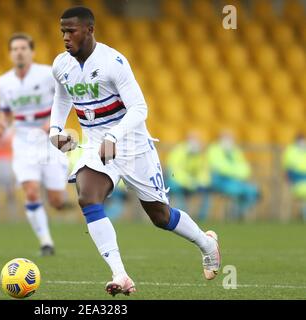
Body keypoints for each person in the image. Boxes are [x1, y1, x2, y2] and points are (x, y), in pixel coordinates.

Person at [49, 7, 221, 296]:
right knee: (87, 196)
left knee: (160, 216)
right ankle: (120, 274)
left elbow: (140, 108)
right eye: (62, 31)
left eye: (71, 31)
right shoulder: (61, 65)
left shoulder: (113, 62)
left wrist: (115, 135)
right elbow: (61, 97)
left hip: (133, 145)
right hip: (96, 145)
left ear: (90, 30)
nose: (65, 37)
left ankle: (207, 244)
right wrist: (55, 131)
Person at [0, 33, 70, 256]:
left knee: (56, 200)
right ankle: (46, 243)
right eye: (15, 49)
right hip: (24, 141)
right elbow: (6, 113)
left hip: (49, 141)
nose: (19, 52)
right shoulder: (3, 82)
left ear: (32, 52)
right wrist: (1, 124)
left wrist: (53, 123)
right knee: (31, 191)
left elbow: (67, 99)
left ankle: (58, 202)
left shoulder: (48, 74)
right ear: (10, 54)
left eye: (23, 48)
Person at [207, 131, 260, 219]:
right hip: (221, 182)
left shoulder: (235, 151)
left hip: (237, 181)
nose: (229, 141)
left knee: (253, 191)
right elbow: (220, 168)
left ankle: (239, 212)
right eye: (226, 138)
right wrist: (236, 171)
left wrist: (234, 171)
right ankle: (234, 213)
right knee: (236, 191)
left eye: (230, 138)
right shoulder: (214, 150)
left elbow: (245, 168)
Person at [166, 132, 211, 221]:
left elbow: (204, 172)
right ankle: (179, 219)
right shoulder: (178, 152)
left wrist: (200, 182)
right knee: (179, 194)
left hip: (193, 183)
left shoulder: (200, 155)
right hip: (177, 183)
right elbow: (174, 172)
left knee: (206, 192)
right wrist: (188, 182)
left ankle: (202, 219)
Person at [282, 134, 306, 220]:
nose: (303, 143)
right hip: (297, 180)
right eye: (302, 141)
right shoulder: (291, 151)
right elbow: (288, 169)